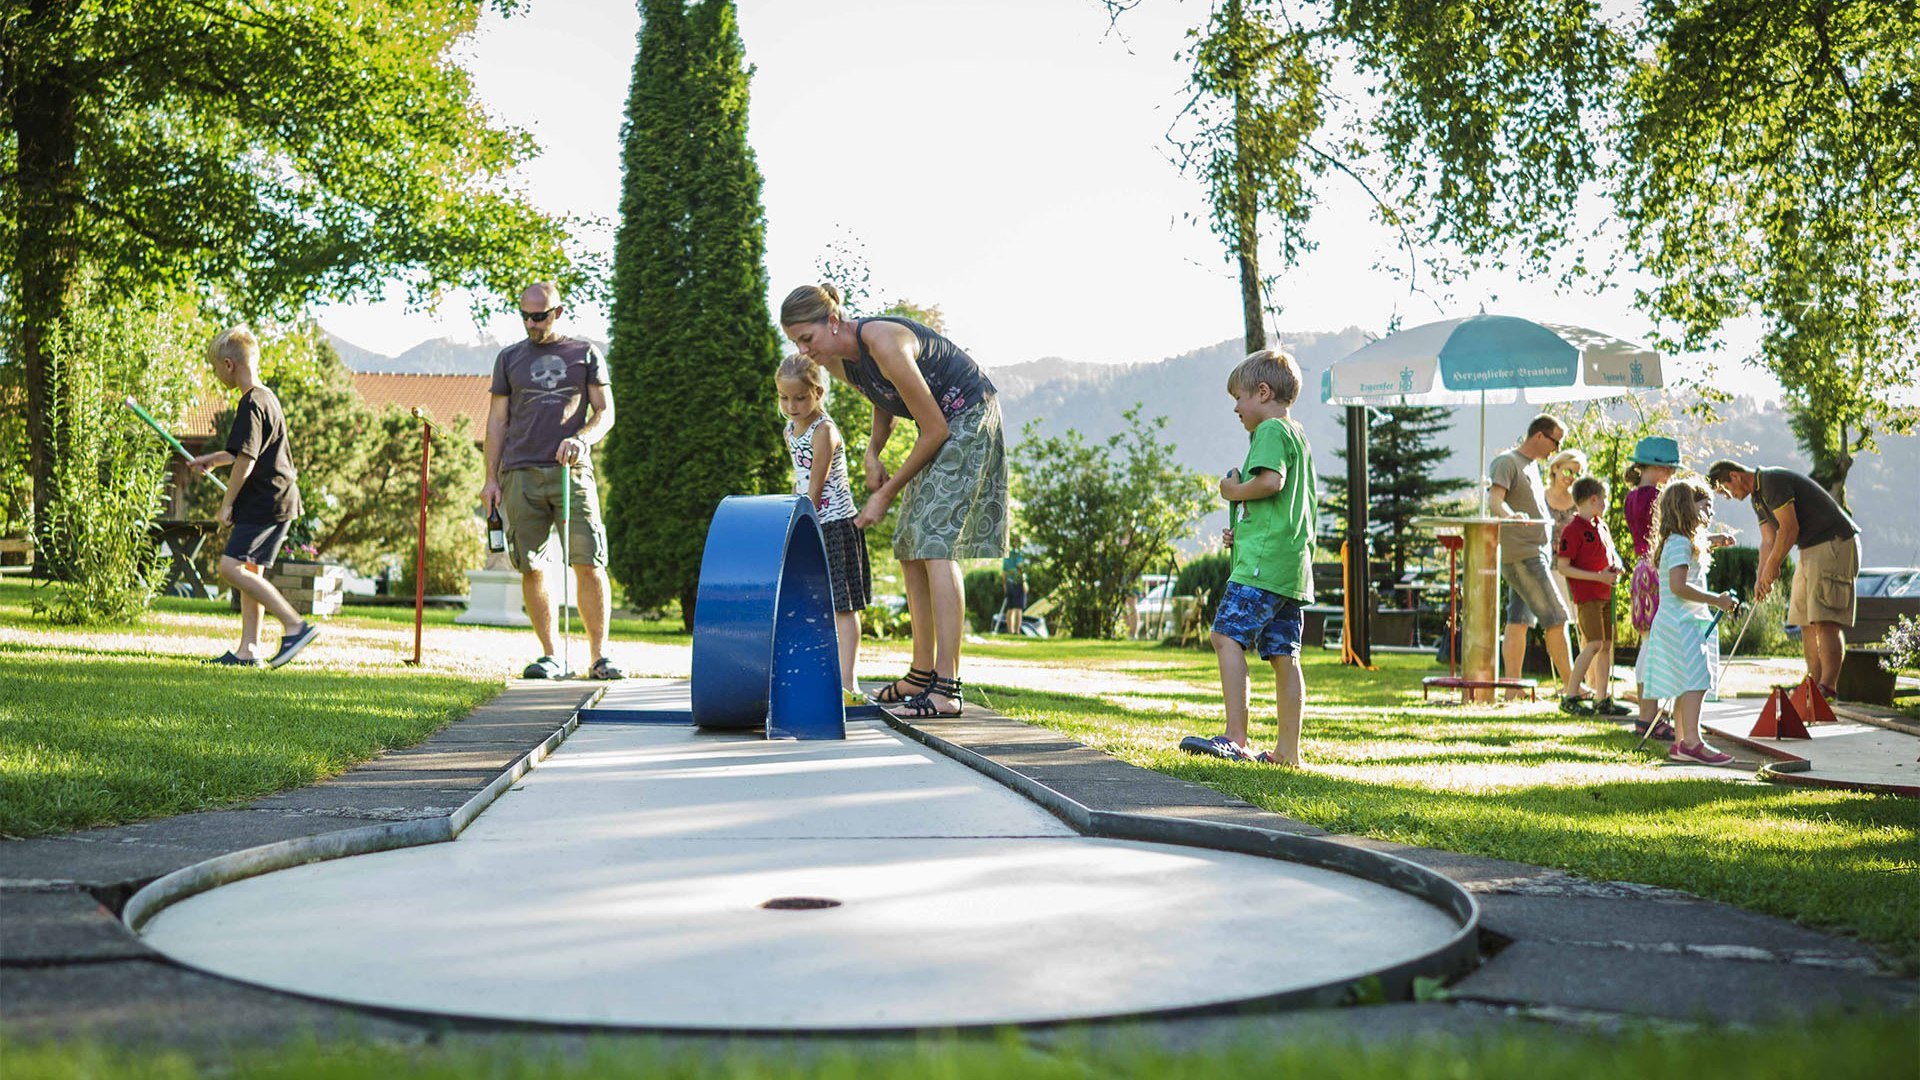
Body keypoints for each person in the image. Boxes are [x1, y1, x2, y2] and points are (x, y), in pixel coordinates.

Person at [780, 284, 1009, 718]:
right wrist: (873, 451)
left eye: (806, 339)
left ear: (832, 321)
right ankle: (921, 673)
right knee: (909, 543)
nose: (804, 351)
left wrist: (885, 493)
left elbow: (935, 429)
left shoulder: (883, 340)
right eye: (795, 343)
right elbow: (884, 397)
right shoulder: (843, 362)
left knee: (935, 544)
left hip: (969, 415)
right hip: (943, 423)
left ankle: (946, 688)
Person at [478, 282, 624, 681]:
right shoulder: (509, 358)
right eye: (524, 314)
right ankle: (551, 656)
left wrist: (581, 439)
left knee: (588, 560)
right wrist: (490, 478)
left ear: (558, 312)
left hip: (571, 473)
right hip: (519, 473)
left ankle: (599, 657)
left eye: (539, 316)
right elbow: (497, 420)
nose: (530, 322)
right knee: (531, 565)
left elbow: (605, 413)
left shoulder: (585, 354)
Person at [1181, 349, 1317, 767]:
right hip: (1290, 566)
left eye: (1239, 398)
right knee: (1283, 654)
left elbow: (1271, 483)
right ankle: (1287, 752)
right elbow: (1285, 504)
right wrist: (1241, 531)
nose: (1236, 408)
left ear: (1262, 391)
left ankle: (1234, 737)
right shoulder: (1299, 436)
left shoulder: (1270, 432)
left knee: (1225, 636)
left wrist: (1232, 492)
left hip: (1262, 565)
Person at [187, 328, 320, 668]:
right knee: (250, 570)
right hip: (276, 498)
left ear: (229, 365)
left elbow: (246, 461)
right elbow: (245, 451)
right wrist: (212, 460)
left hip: (266, 500)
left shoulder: (250, 402)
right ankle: (249, 650)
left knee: (229, 566)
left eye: (217, 367)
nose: (217, 374)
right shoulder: (266, 397)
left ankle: (294, 625)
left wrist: (227, 503)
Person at [1706, 460, 1861, 701]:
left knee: (1825, 619)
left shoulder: (1771, 481)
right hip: (1809, 548)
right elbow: (1769, 540)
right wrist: (1761, 578)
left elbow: (1789, 529)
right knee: (1805, 620)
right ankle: (1813, 685)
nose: (1728, 496)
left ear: (1734, 476)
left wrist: (1773, 566)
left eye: (1725, 490)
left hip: (1834, 542)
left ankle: (1827, 688)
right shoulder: (1757, 499)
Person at [776, 353, 870, 701]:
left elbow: (815, 486)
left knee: (843, 605)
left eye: (800, 397)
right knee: (812, 603)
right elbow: (798, 482)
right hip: (807, 520)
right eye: (784, 398)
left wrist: (800, 519)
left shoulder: (824, 431)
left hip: (834, 525)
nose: (791, 405)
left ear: (817, 392)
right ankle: (817, 673)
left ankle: (848, 682)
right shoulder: (790, 429)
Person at [1641, 477, 1741, 765]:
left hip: (1678, 621)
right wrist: (1717, 600)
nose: (1710, 514)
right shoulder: (1680, 545)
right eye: (1706, 507)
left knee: (1688, 682)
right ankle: (1693, 743)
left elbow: (1691, 549)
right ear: (1687, 508)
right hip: (1680, 622)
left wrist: (1714, 540)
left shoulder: (1677, 541)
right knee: (1697, 681)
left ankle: (1681, 743)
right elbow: (1678, 586)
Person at [1487, 415, 1578, 703]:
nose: (1557, 447)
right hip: (1522, 555)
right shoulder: (1507, 462)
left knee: (1519, 620)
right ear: (1540, 436)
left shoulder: (1532, 467)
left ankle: (1512, 689)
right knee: (1557, 616)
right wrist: (1508, 516)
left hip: (1531, 552)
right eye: (1556, 441)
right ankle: (1572, 686)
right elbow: (1495, 500)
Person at [1556, 476, 1627, 715]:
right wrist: (1598, 576)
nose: (1605, 504)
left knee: (1606, 646)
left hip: (1605, 593)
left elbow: (1612, 554)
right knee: (1594, 643)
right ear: (1593, 499)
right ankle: (1571, 694)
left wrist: (1617, 565)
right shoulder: (1573, 530)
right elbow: (1564, 567)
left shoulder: (1601, 525)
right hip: (1588, 596)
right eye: (1604, 499)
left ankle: (1601, 697)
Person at [1624, 437, 1680, 740]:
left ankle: (1647, 714)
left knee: (1647, 644)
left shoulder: (1632, 497)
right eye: (1670, 469)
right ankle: (1651, 716)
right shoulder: (1660, 498)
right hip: (1658, 570)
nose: (1671, 475)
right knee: (1657, 646)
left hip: (1641, 571)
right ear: (1658, 467)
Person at [1543, 448, 1588, 614]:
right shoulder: (1540, 498)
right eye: (1568, 470)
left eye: (1577, 474)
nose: (1571, 477)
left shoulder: (1579, 502)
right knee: (1553, 621)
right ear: (1555, 468)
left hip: (1573, 569)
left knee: (1579, 619)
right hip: (1546, 568)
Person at [1002, 539, 1029, 635]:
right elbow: (1020, 570)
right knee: (1018, 608)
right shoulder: (1019, 555)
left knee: (1010, 608)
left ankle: (1010, 631)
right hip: (1018, 583)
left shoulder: (1007, 556)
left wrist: (1004, 585)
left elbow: (1004, 573)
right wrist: (1024, 583)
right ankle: (1017, 631)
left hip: (1009, 583)